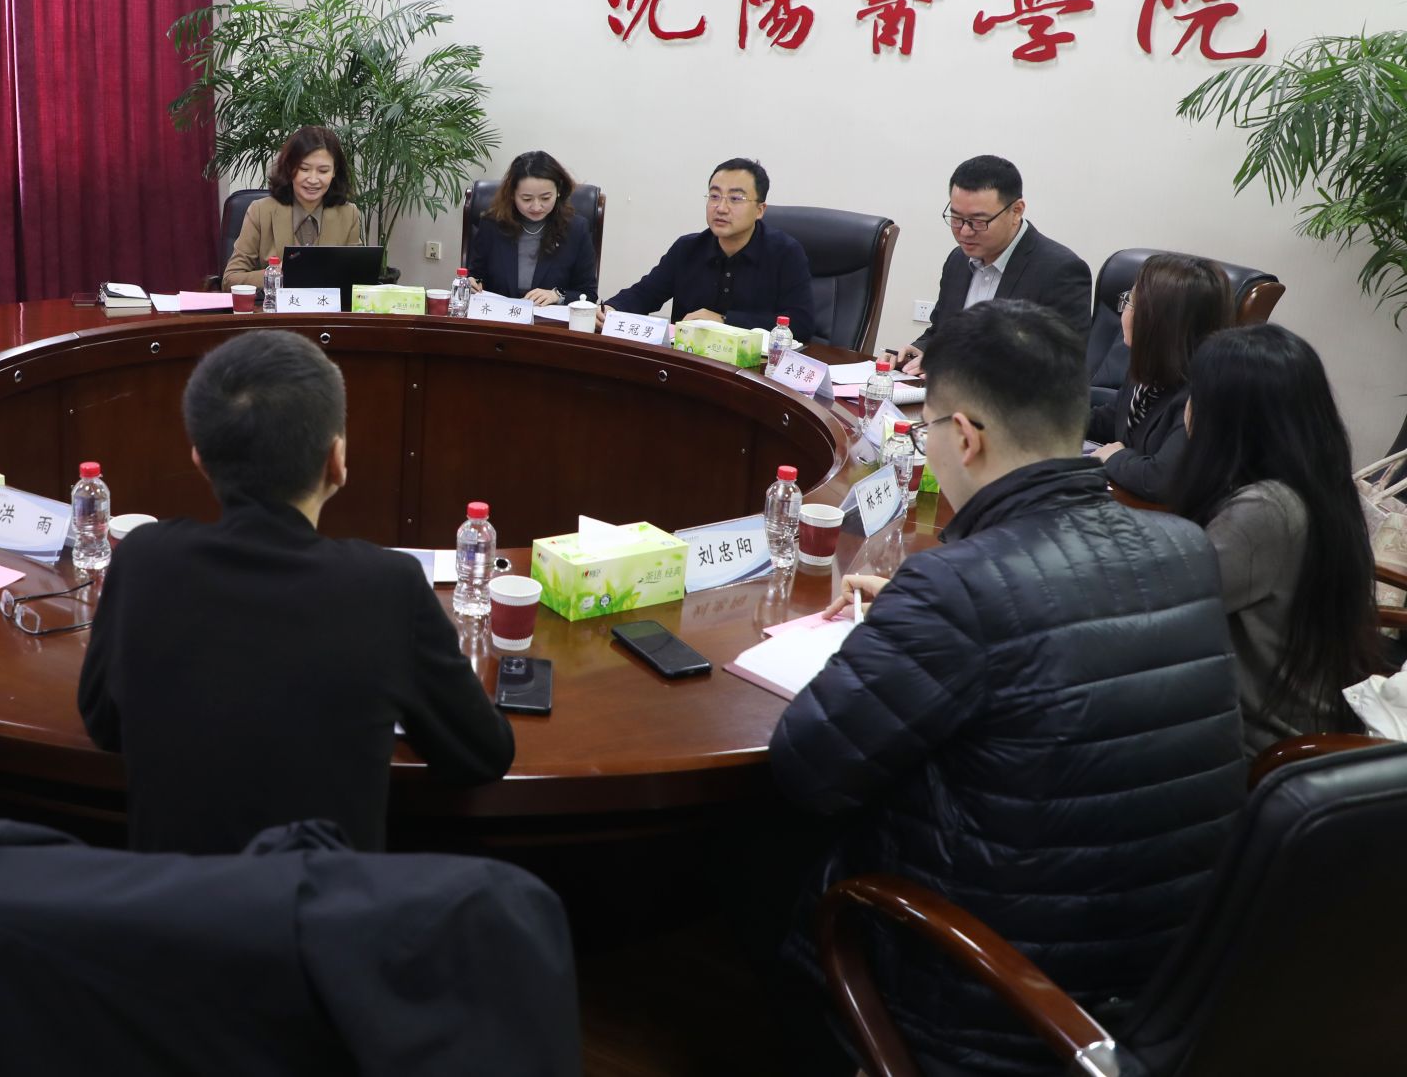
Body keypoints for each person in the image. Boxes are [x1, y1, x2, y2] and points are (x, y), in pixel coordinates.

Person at [772, 300, 1244, 1077]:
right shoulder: (1183, 546)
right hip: (1162, 986)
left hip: (991, 998)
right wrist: (915, 628)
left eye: (927, 428)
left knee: (768, 852)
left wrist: (899, 630)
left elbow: (805, 768)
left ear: (964, 436)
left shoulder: (953, 588)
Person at [78, 328, 514, 853]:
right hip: (323, 902)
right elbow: (482, 754)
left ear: (200, 460)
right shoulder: (387, 587)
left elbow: (103, 724)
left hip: (171, 900)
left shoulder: (143, 560)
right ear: (337, 461)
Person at [1175, 324, 1386, 757]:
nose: (1188, 406)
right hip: (1278, 723)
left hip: (1262, 748)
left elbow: (1171, 602)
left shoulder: (1265, 511)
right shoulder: (1310, 484)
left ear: (1232, 417)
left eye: (1197, 394)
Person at [895, 155, 1091, 375]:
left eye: (978, 222)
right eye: (956, 218)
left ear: (1016, 211)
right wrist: (922, 350)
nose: (965, 231)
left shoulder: (1060, 272)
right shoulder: (958, 260)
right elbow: (940, 334)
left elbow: (1061, 369)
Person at [601, 158, 813, 328]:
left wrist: (724, 321)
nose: (721, 208)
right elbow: (645, 294)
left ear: (760, 210)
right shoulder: (687, 249)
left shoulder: (785, 253)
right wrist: (611, 309)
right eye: (714, 196)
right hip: (688, 361)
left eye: (735, 199)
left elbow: (800, 323)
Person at [1087, 253, 1230, 503]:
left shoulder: (1204, 393)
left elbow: (1162, 481)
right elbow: (1114, 420)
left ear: (1158, 321)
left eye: (1130, 302)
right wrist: (1048, 419)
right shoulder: (1151, 366)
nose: (1123, 310)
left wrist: (1114, 458)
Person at [220, 126, 365, 290]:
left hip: (326, 306)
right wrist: (278, 274)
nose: (313, 179)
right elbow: (230, 280)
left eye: (323, 171)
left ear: (334, 171)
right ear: (289, 168)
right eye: (304, 169)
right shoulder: (261, 211)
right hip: (274, 306)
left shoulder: (348, 214)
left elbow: (357, 279)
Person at [465, 150, 598, 304]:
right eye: (527, 199)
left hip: (547, 317)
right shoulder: (492, 225)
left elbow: (588, 294)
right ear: (512, 194)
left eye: (545, 198)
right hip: (499, 314)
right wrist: (472, 283)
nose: (536, 207)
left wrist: (557, 296)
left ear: (559, 191)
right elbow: (475, 276)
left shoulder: (576, 229)